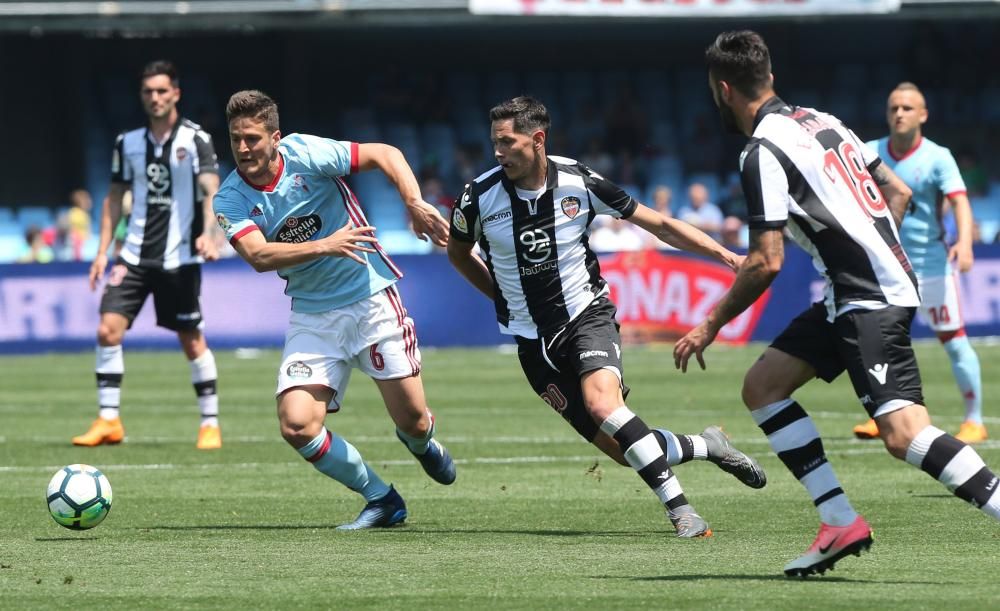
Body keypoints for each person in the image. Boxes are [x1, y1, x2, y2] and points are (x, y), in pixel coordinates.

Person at [675, 30, 1000, 577]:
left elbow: (766, 260)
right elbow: (897, 193)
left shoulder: (761, 152)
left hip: (866, 296)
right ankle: (838, 521)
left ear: (722, 90)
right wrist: (875, 247)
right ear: (770, 77)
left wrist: (710, 323)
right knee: (763, 387)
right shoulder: (823, 121)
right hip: (856, 290)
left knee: (904, 435)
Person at [447, 96, 767, 539]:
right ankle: (705, 445)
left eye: (506, 142)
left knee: (603, 404)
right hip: (530, 340)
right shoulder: (478, 197)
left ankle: (682, 512)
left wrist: (725, 254)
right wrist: (499, 296)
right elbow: (458, 254)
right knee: (621, 450)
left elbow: (659, 224)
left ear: (537, 139)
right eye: (493, 143)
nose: (497, 152)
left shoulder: (580, 183)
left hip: (585, 315)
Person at [213, 90, 456, 530]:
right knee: (297, 424)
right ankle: (381, 499)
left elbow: (386, 153)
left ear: (276, 137)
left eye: (252, 138)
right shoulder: (228, 199)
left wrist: (413, 202)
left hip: (370, 300)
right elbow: (259, 256)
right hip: (312, 315)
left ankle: (422, 445)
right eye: (235, 140)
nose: (244, 149)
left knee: (415, 422)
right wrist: (325, 244)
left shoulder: (306, 152)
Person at [73, 60, 223, 450]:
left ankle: (210, 423)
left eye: (161, 91)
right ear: (142, 97)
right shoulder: (129, 142)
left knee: (191, 340)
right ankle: (109, 420)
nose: (154, 98)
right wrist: (102, 252)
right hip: (134, 255)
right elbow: (114, 198)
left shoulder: (196, 140)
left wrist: (210, 234)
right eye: (148, 92)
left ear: (176, 93)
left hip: (181, 258)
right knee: (108, 329)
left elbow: (212, 191)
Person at [852, 83, 986, 444]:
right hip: (885, 265)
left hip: (930, 264)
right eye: (894, 107)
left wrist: (964, 241)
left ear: (923, 115)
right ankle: (883, 418)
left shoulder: (938, 157)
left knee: (954, 341)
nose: (899, 113)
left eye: (908, 108)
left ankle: (975, 419)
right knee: (877, 345)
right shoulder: (869, 152)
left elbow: (959, 200)